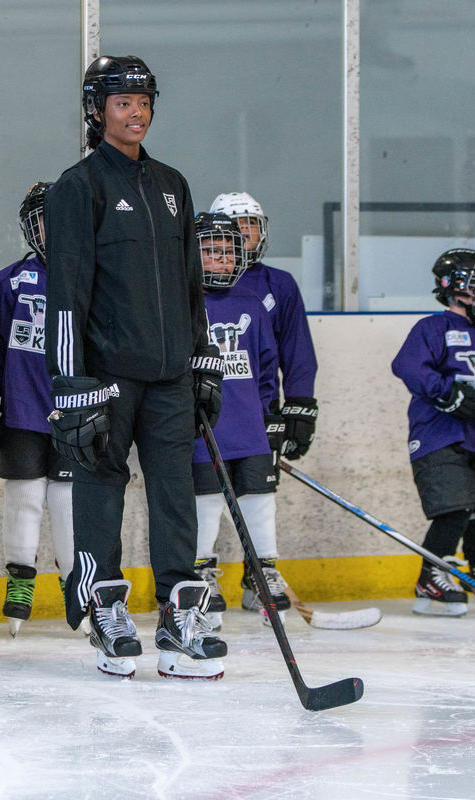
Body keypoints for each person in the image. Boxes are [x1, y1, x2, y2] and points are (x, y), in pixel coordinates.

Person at [43, 55, 228, 680]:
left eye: (144, 100)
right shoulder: (78, 186)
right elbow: (66, 294)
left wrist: (203, 361)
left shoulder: (173, 185)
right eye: (123, 102)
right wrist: (71, 384)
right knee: (101, 488)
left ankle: (180, 619)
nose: (137, 112)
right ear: (98, 112)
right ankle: (105, 609)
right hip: (106, 377)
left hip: (172, 374)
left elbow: (190, 283)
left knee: (176, 490)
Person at [391, 248, 475, 616]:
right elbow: (407, 366)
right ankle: (431, 577)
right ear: (462, 287)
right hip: (437, 436)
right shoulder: (433, 328)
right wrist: (446, 392)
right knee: (455, 509)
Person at [0, 181, 76, 637]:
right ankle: (19, 582)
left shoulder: (101, 278)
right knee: (25, 497)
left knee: (70, 501)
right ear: (30, 228)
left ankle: (79, 584)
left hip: (78, 413)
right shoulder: (6, 284)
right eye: (44, 221)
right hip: (22, 414)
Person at [209, 191, 319, 618]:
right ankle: (202, 572)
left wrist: (300, 406)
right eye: (237, 226)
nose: (247, 233)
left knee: (258, 493)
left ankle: (257, 577)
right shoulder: (195, 280)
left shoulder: (279, 285)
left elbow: (295, 352)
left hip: (258, 414)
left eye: (252, 225)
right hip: (209, 414)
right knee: (207, 498)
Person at [189, 213, 280, 630]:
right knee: (205, 504)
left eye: (227, 252)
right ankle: (202, 573)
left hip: (249, 430)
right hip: (202, 430)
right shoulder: (180, 302)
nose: (221, 261)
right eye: (210, 251)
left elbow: (265, 369)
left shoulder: (251, 304)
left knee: (260, 502)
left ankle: (265, 574)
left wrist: (269, 415)